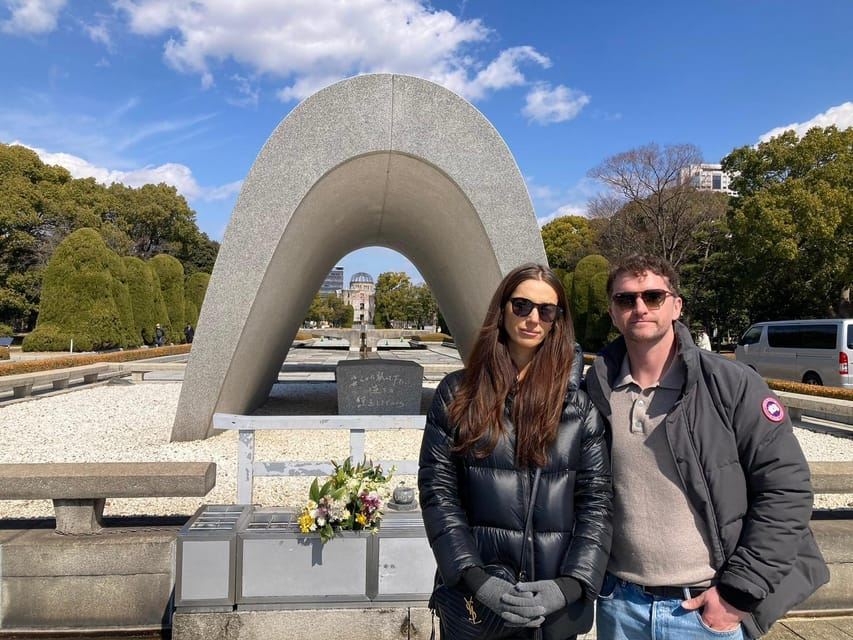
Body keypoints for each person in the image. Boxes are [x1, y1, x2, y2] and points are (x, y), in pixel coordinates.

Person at [584, 254, 828, 640]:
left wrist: (738, 593)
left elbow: (787, 489)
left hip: (703, 611)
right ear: (613, 312)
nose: (640, 307)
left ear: (677, 305)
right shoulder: (594, 390)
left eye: (653, 296)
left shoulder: (731, 384)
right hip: (619, 605)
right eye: (626, 299)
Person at [418, 263, 613, 639]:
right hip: (477, 605)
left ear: (557, 320)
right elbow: (438, 494)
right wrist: (477, 579)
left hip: (552, 609)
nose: (533, 318)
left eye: (546, 310)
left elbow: (597, 503)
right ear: (503, 309)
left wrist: (568, 586)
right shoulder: (458, 394)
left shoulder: (578, 408)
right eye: (521, 306)